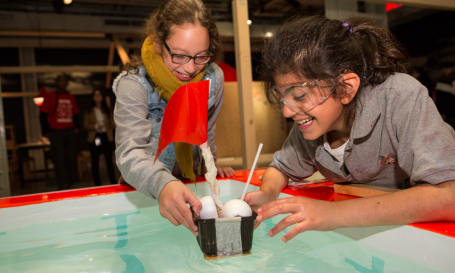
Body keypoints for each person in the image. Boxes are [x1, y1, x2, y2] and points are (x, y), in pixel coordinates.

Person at [244, 15, 455, 243]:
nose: (287, 112)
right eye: (283, 98)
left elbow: (449, 195)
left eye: (299, 96)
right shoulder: (312, 120)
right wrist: (268, 192)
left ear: (345, 88)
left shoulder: (400, 97)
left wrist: (333, 214)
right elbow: (282, 168)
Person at [113, 0, 235, 236]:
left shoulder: (213, 79)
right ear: (158, 43)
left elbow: (205, 134)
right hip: (146, 192)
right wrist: (163, 184)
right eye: (179, 56)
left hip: (190, 187)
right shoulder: (134, 85)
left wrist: (211, 168)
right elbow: (130, 152)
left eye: (201, 56)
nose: (190, 68)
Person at [40, 74, 79, 190]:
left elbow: (76, 114)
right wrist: (46, 131)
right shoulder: (50, 96)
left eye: (65, 81)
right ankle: (62, 183)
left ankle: (72, 181)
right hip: (56, 131)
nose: (62, 83)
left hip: (69, 131)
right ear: (56, 82)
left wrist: (76, 127)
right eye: (60, 81)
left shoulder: (70, 97)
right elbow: (42, 115)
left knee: (71, 157)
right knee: (59, 158)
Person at [84, 88, 117, 186]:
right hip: (96, 137)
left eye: (99, 94)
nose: (97, 97)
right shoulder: (89, 110)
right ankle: (97, 183)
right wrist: (95, 126)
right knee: (95, 159)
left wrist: (113, 124)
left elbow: (111, 123)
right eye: (95, 95)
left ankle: (113, 182)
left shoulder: (107, 109)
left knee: (109, 159)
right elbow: (85, 125)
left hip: (106, 136)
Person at [434, 61, 455, 129]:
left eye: (447, 68)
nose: (445, 70)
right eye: (444, 69)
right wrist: (441, 112)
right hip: (446, 113)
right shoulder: (440, 82)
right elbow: (439, 99)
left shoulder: (453, 81)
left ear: (452, 68)